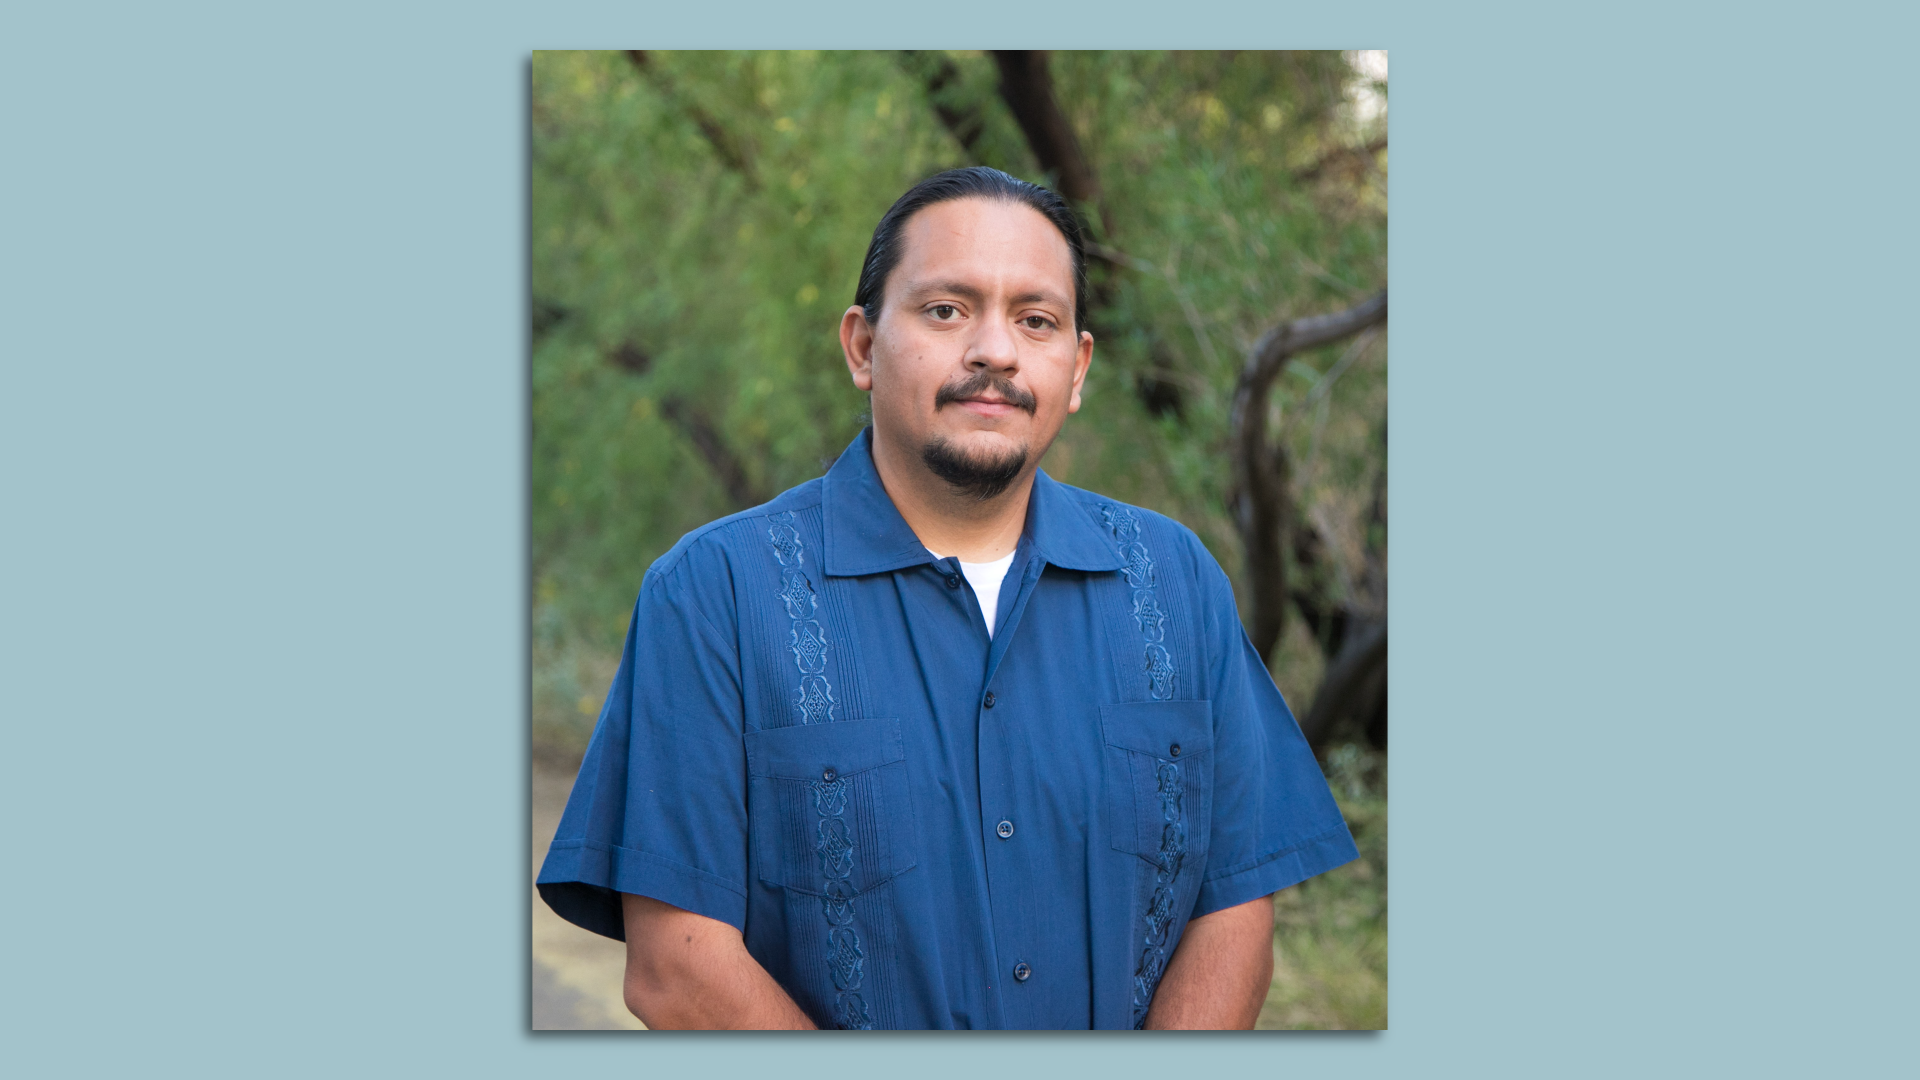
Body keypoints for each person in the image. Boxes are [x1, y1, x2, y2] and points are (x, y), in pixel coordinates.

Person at [536, 166, 1358, 1030]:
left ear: (1076, 368)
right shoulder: (714, 596)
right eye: (946, 310)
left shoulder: (1174, 580)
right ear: (861, 346)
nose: (995, 353)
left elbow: (1233, 906)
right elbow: (676, 969)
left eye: (1035, 321)